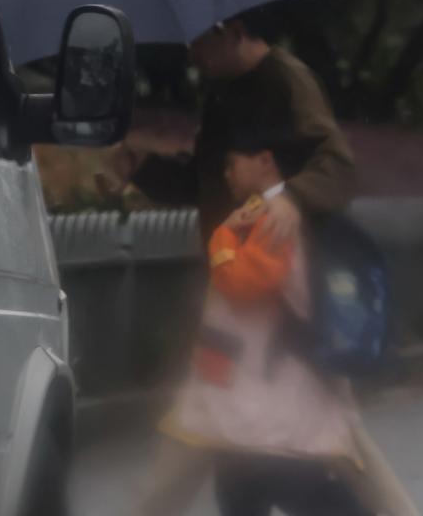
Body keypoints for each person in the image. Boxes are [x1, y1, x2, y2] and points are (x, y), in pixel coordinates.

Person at [159, 125, 375, 516]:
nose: (226, 175)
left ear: (265, 161)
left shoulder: (272, 218)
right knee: (248, 488)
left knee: (292, 489)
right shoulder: (283, 212)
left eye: (232, 164)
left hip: (268, 398)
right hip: (258, 396)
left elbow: (243, 285)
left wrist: (222, 238)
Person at [105, 9, 356, 246]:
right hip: (232, 262)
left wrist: (291, 198)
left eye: (198, 42)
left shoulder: (286, 80)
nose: (192, 56)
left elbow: (336, 165)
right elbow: (208, 181)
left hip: (278, 261)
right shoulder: (223, 90)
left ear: (235, 32)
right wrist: (144, 168)